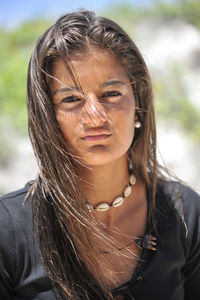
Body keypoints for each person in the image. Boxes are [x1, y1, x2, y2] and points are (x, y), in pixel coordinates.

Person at [0, 10, 200, 300]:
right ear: (48, 116)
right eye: (71, 99)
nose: (95, 116)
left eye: (111, 94)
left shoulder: (186, 214)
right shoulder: (8, 231)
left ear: (138, 104)